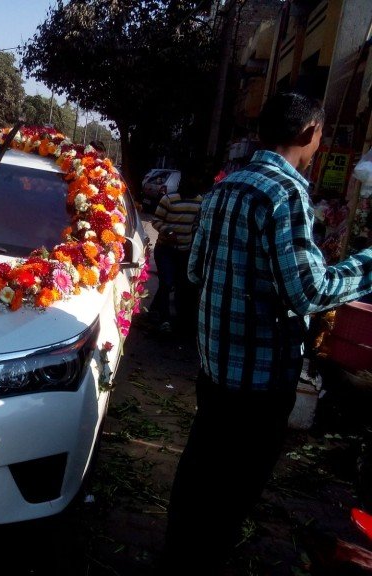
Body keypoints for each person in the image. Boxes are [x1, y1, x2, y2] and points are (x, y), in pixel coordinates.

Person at [157, 92, 372, 575]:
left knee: (199, 475)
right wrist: (367, 264)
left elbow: (195, 270)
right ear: (307, 134)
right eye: (320, 135)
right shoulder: (286, 194)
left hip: (213, 369)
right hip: (258, 382)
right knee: (234, 491)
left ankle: (178, 558)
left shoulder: (225, 189)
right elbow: (310, 291)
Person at [148, 173, 202, 336]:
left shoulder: (200, 202)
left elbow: (198, 224)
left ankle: (154, 310)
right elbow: (156, 220)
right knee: (167, 281)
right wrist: (166, 230)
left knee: (175, 284)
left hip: (185, 251)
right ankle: (165, 320)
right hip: (165, 250)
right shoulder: (168, 200)